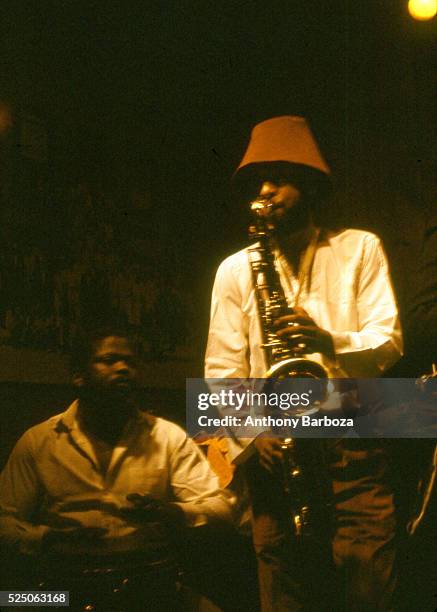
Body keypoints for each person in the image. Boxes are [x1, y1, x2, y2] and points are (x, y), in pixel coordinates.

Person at [205, 116, 403, 611]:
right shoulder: (236, 268)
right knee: (285, 591)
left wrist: (327, 341)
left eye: (279, 178)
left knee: (368, 590)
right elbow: (221, 371)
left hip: (352, 447)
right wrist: (252, 435)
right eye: (258, 182)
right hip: (278, 459)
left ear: (311, 184)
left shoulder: (361, 248)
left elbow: (389, 341)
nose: (266, 190)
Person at [0, 327, 235, 611]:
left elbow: (223, 508)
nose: (124, 368)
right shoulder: (39, 441)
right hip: (62, 588)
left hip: (151, 586)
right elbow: (4, 520)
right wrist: (49, 538)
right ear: (79, 375)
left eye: (132, 363)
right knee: (11, 602)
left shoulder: (167, 437)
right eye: (110, 360)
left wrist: (174, 512)